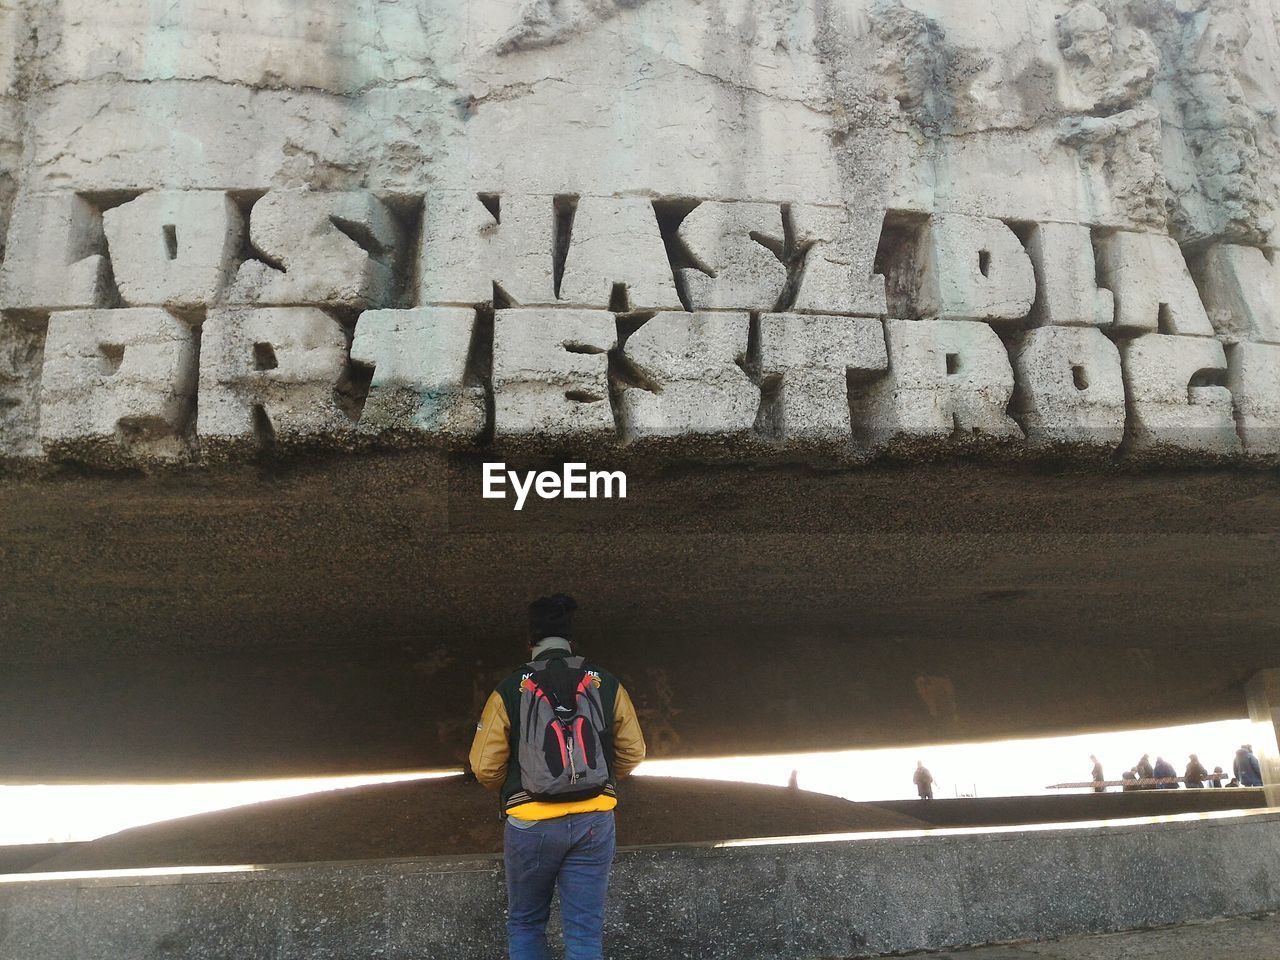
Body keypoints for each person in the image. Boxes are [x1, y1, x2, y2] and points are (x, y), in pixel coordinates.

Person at [469, 593, 647, 960]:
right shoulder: (606, 682)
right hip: (596, 820)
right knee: (584, 933)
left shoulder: (508, 688)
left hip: (530, 822)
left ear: (530, 643)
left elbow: (485, 766)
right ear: (571, 642)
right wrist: (594, 780)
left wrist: (518, 787)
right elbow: (634, 752)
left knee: (526, 922)